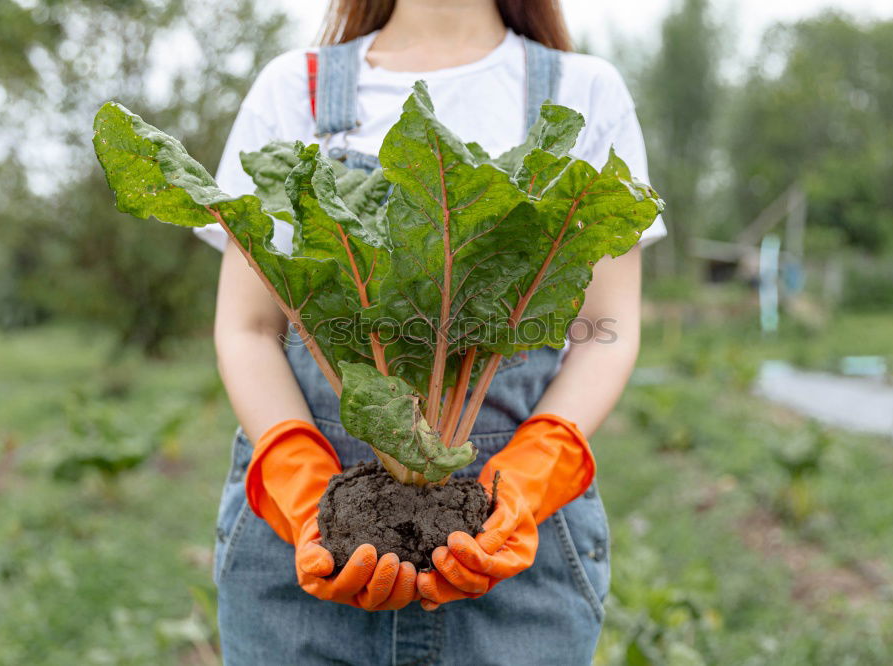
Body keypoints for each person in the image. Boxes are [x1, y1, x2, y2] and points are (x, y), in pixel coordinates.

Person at [195, 0, 666, 663]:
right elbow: (248, 327)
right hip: (308, 559)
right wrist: (301, 486)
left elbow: (603, 330)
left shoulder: (583, 91)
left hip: (510, 560)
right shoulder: (292, 88)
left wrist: (533, 474)